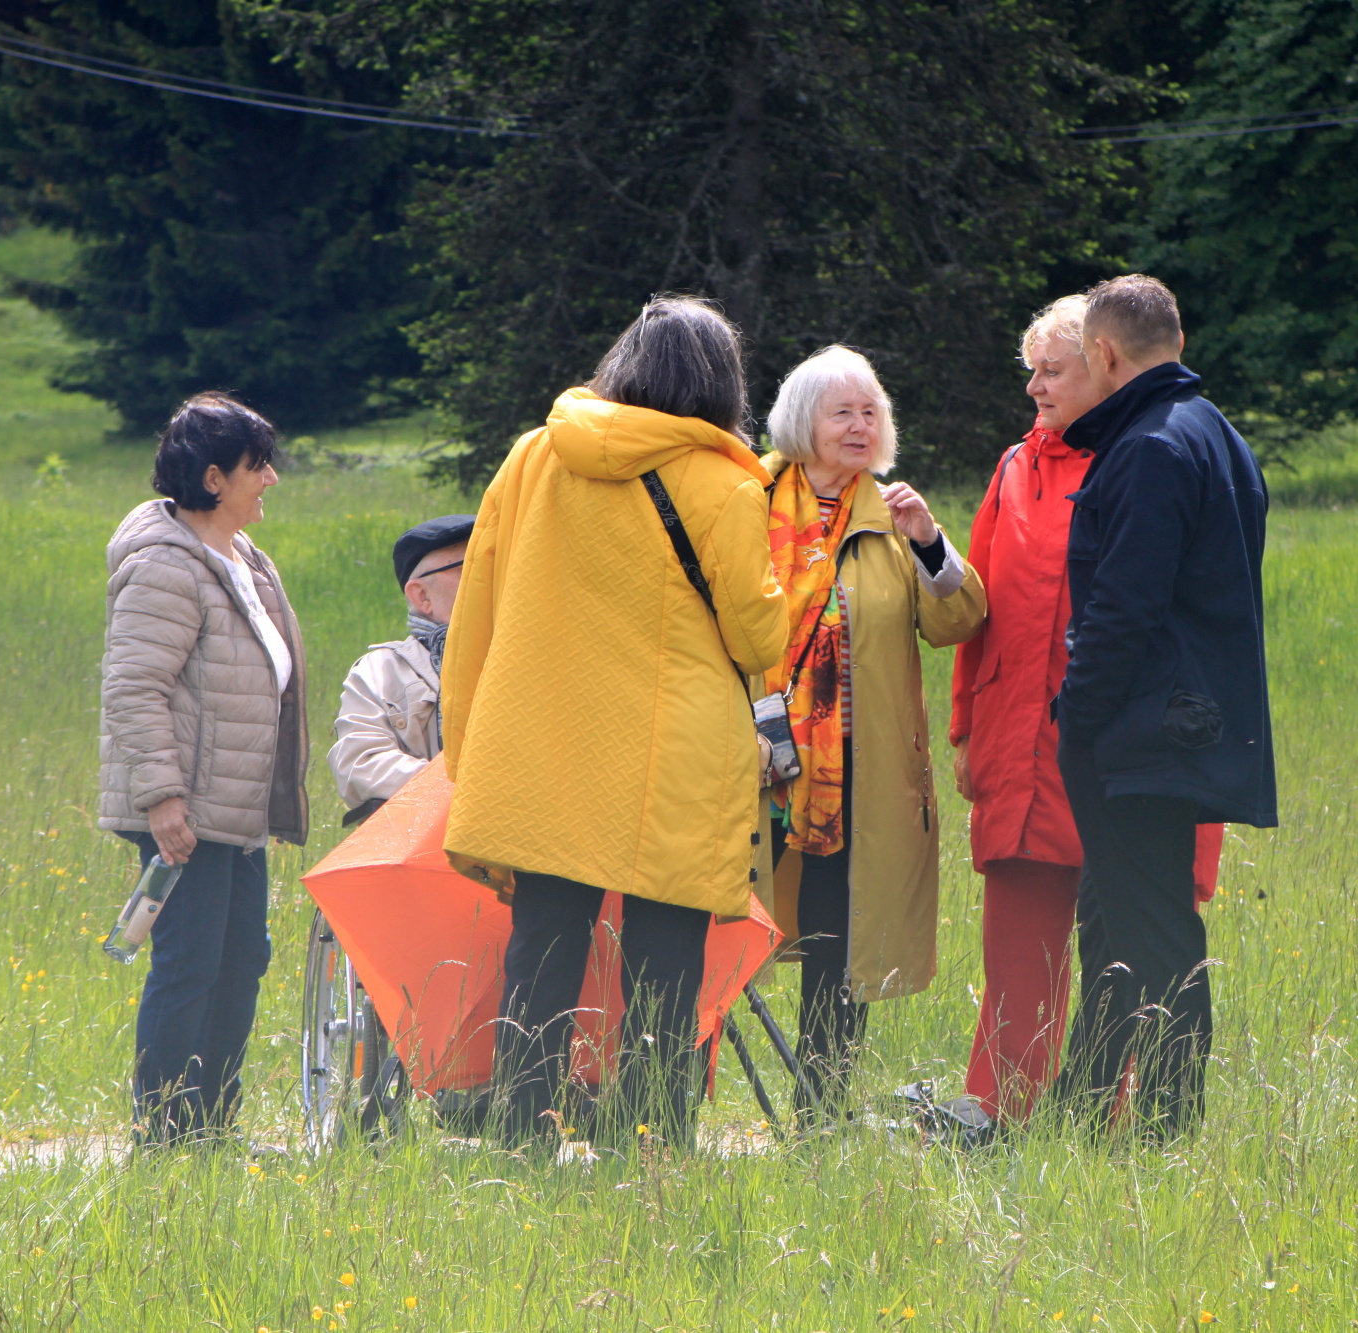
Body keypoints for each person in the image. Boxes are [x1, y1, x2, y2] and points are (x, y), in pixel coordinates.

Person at [441, 297, 789, 1152]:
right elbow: (758, 636)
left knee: (542, 953)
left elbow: (476, 602)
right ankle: (654, 1145)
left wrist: (466, 741)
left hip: (545, 744)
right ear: (723, 383)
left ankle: (523, 1137)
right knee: (664, 970)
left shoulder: (533, 457)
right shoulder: (729, 483)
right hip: (671, 764)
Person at [946, 298, 1223, 1132]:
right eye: (1029, 369)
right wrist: (965, 726)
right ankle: (1001, 1117)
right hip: (1021, 749)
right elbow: (980, 606)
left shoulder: (1144, 458)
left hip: (1122, 748)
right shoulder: (1014, 468)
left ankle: (1109, 1120)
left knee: (1130, 943)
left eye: (1051, 370)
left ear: (1103, 365)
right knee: (1020, 954)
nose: (1034, 386)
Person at [1051, 275, 1277, 1140]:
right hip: (1188, 721)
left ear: (1105, 353)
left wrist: (1078, 711)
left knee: (1158, 939)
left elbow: (1124, 609)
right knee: (1115, 921)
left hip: (1141, 731)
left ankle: (1168, 1130)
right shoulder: (1217, 435)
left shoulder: (1146, 446)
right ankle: (1078, 1117)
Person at [761, 345, 986, 1118]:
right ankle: (671, 1107)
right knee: (719, 932)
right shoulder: (744, 501)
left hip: (855, 776)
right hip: (752, 765)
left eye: (871, 412)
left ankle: (818, 1113)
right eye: (843, 412)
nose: (861, 426)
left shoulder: (893, 517)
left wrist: (930, 543)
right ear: (803, 419)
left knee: (839, 940)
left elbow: (960, 620)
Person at [98, 392, 308, 1146]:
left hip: (234, 809)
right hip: (186, 808)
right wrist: (162, 798)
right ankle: (164, 1135)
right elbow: (134, 685)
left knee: (242, 958)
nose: (271, 480)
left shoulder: (243, 559)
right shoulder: (166, 566)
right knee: (189, 966)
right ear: (214, 478)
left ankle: (213, 1125)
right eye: (260, 466)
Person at [327, 514, 475, 826]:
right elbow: (360, 765)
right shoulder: (382, 670)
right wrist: (468, 788)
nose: (492, 578)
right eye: (472, 568)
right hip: (425, 844)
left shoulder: (536, 656)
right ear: (422, 596)